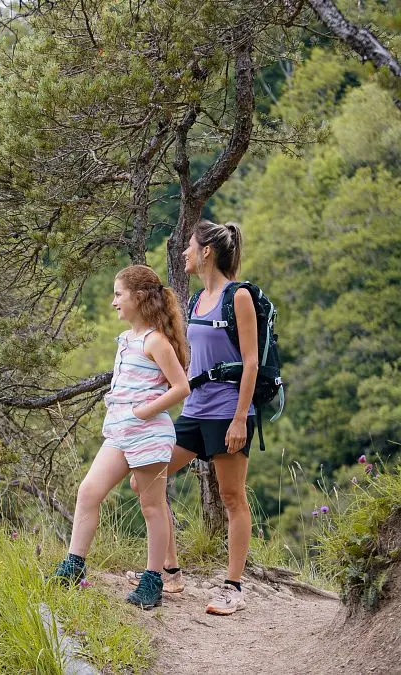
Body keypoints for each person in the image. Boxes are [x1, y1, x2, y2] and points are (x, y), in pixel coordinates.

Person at [127, 220, 258, 616]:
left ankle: (233, 587)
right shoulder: (197, 300)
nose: (184, 252)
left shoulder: (238, 297)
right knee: (144, 479)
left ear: (207, 252)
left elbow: (251, 362)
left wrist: (239, 419)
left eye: (190, 246)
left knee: (233, 497)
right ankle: (170, 572)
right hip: (195, 411)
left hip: (228, 413)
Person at [50, 264, 191, 609]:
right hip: (120, 434)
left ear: (139, 298)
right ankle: (72, 567)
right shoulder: (126, 339)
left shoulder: (156, 341)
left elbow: (181, 388)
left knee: (151, 505)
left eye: (118, 295)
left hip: (149, 436)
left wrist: (145, 411)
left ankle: (153, 580)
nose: (114, 302)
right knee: (89, 491)